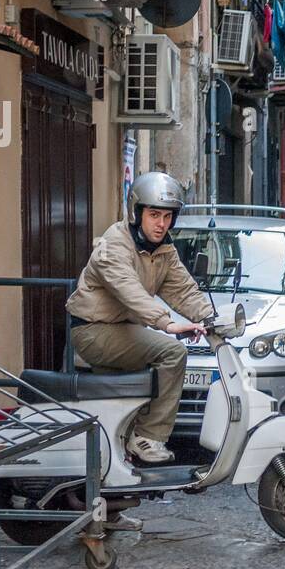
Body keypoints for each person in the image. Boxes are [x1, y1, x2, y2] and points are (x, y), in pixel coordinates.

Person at [65, 172, 212, 465]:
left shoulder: (164, 250)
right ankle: (149, 437)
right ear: (136, 212)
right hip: (94, 330)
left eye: (168, 216)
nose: (161, 223)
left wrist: (212, 318)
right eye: (154, 214)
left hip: (125, 332)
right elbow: (128, 289)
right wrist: (167, 323)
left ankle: (112, 495)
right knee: (172, 352)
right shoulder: (113, 244)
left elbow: (183, 290)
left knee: (120, 420)